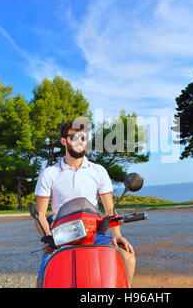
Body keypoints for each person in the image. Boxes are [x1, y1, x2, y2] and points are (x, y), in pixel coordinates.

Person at [33, 119, 136, 287]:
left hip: (93, 235)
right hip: (61, 238)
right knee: (43, 281)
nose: (80, 140)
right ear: (64, 141)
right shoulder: (49, 174)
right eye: (74, 136)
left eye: (84, 137)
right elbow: (40, 214)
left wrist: (116, 234)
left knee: (128, 258)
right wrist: (49, 237)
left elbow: (110, 208)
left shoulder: (98, 171)